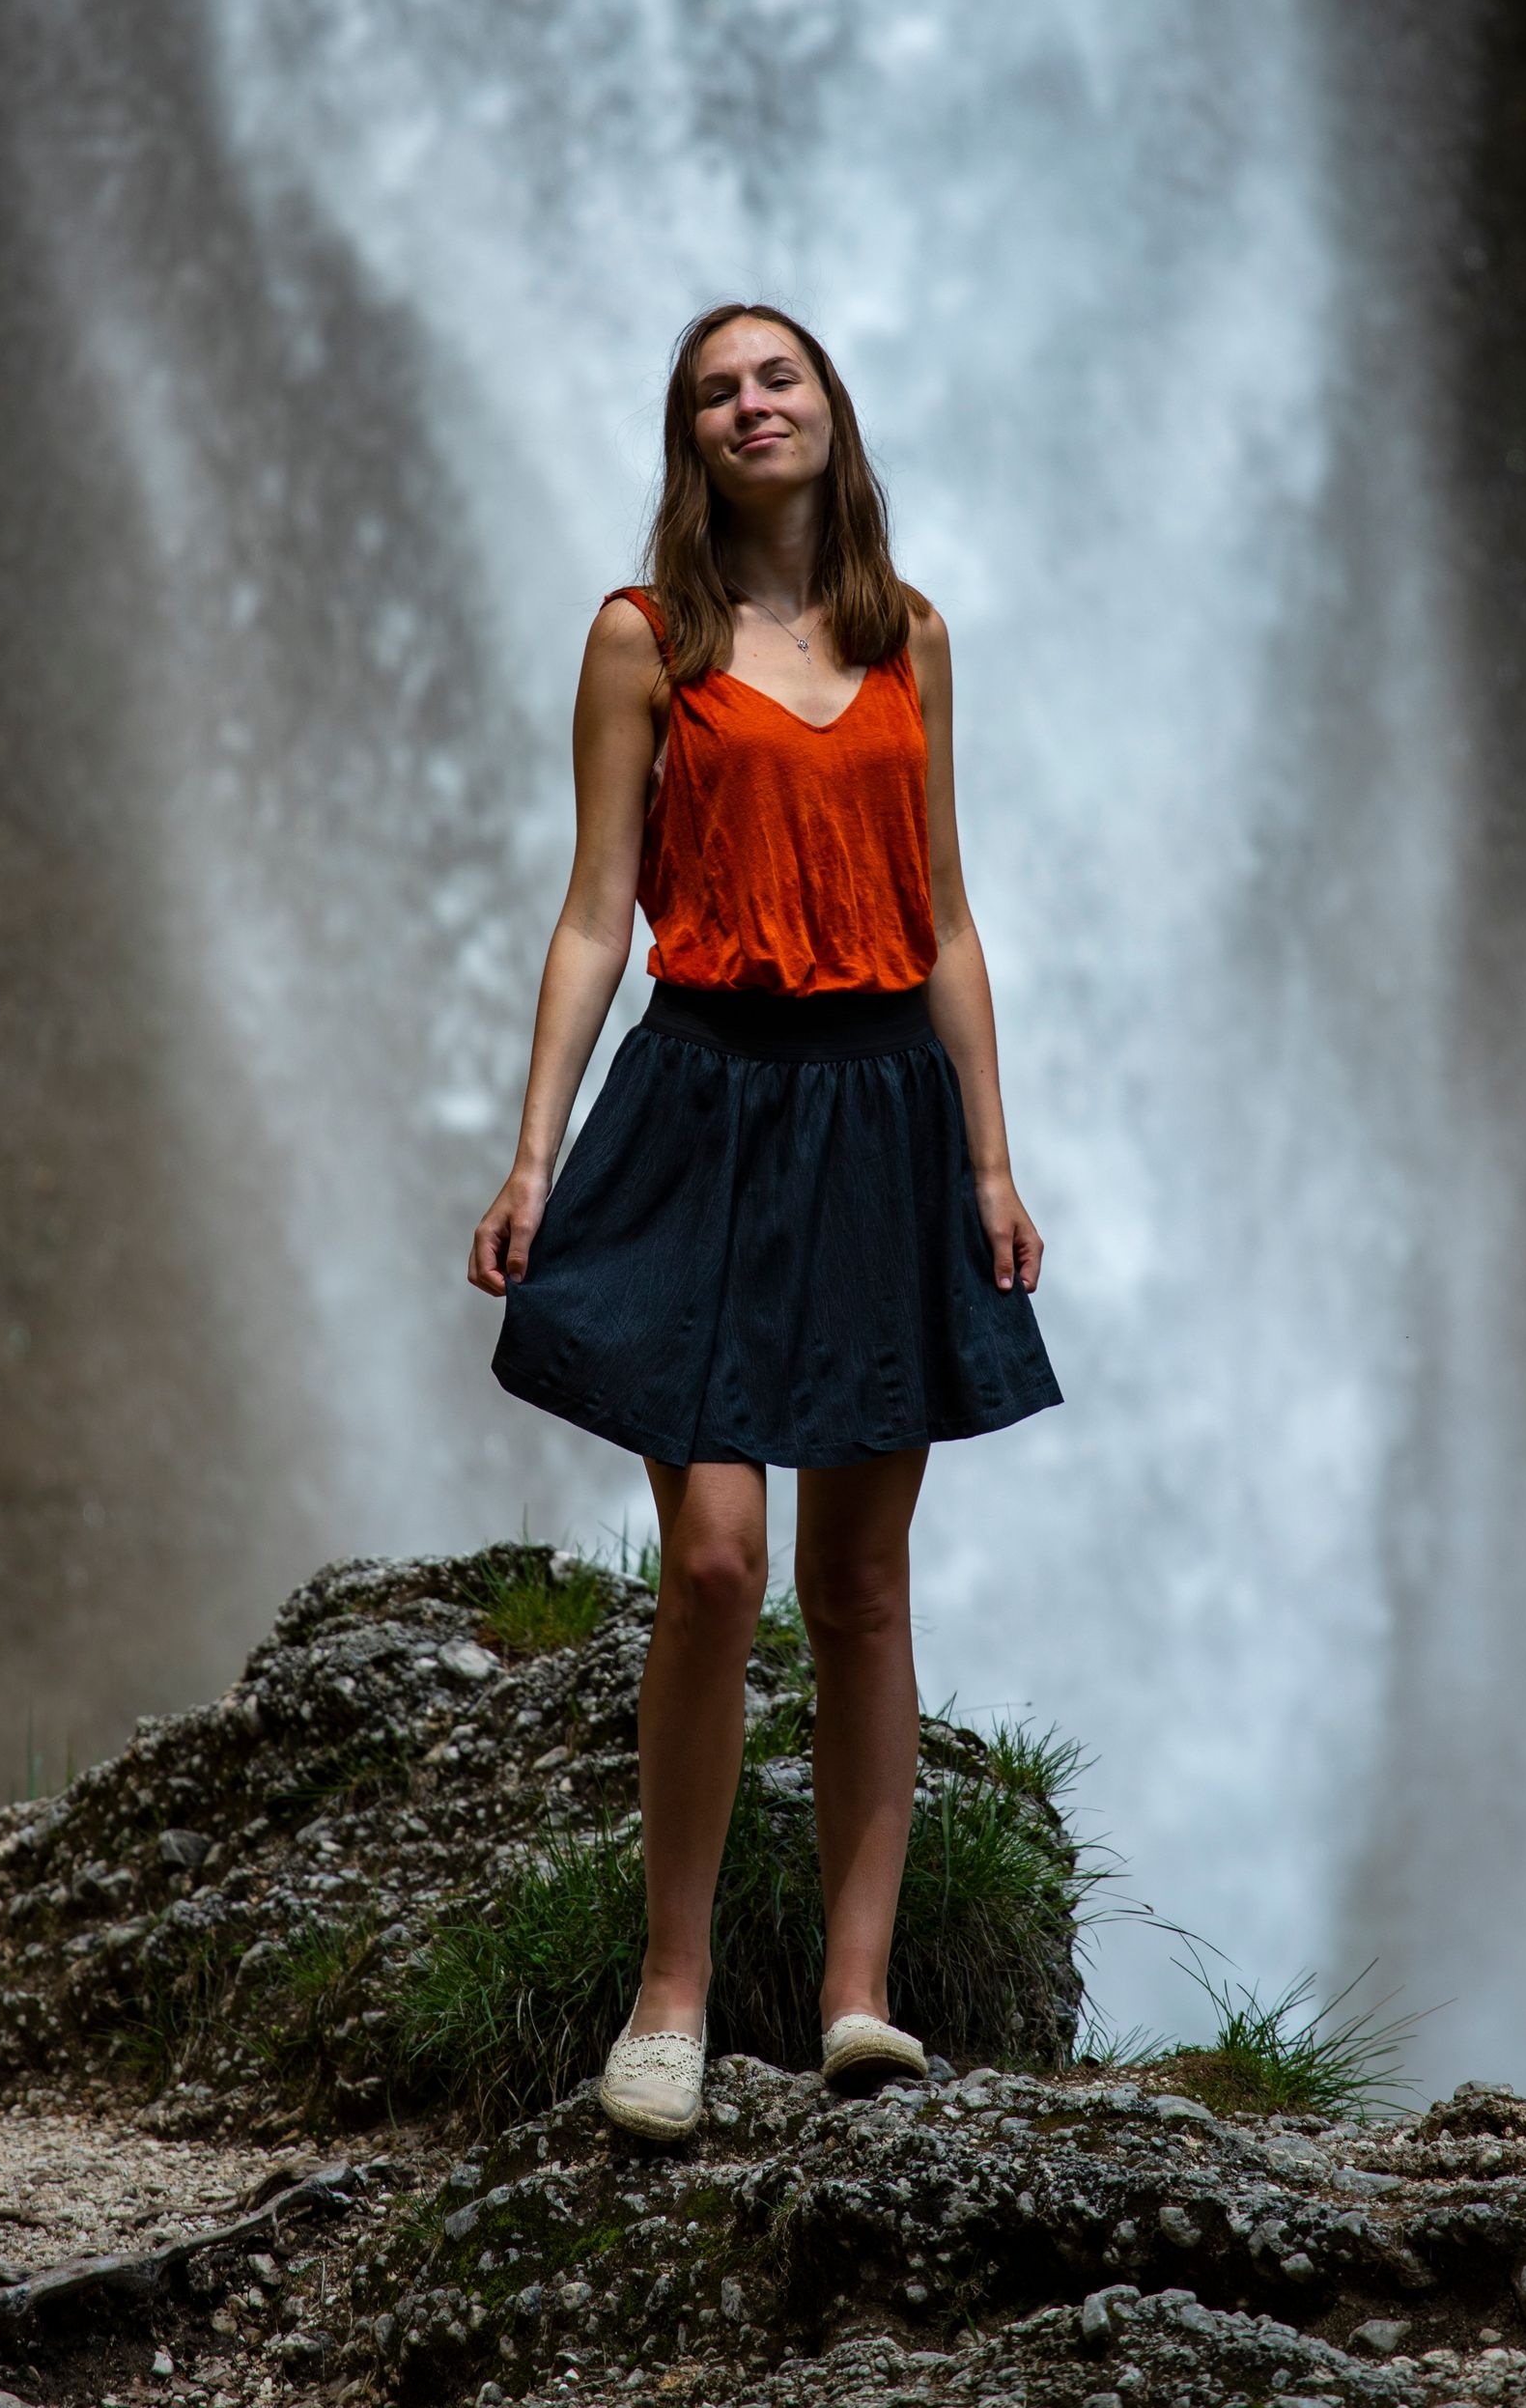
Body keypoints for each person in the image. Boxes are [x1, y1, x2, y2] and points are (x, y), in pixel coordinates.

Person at [468, 302, 1061, 2141]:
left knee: (864, 1581)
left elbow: (945, 910)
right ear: (693, 438)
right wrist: (532, 1151)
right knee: (718, 1557)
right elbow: (593, 912)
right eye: (719, 388)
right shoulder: (647, 641)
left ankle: (861, 1997)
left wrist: (989, 1157)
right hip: (708, 1102)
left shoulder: (913, 641)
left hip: (885, 1114)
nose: (753, 402)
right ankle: (671, 1993)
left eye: (777, 375)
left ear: (830, 409)